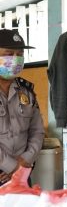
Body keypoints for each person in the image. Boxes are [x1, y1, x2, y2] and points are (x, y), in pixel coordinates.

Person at [0, 29, 44, 185]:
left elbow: (37, 131)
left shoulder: (27, 92)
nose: (15, 59)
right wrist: (10, 166)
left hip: (22, 175)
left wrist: (24, 161)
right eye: (9, 53)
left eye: (19, 55)